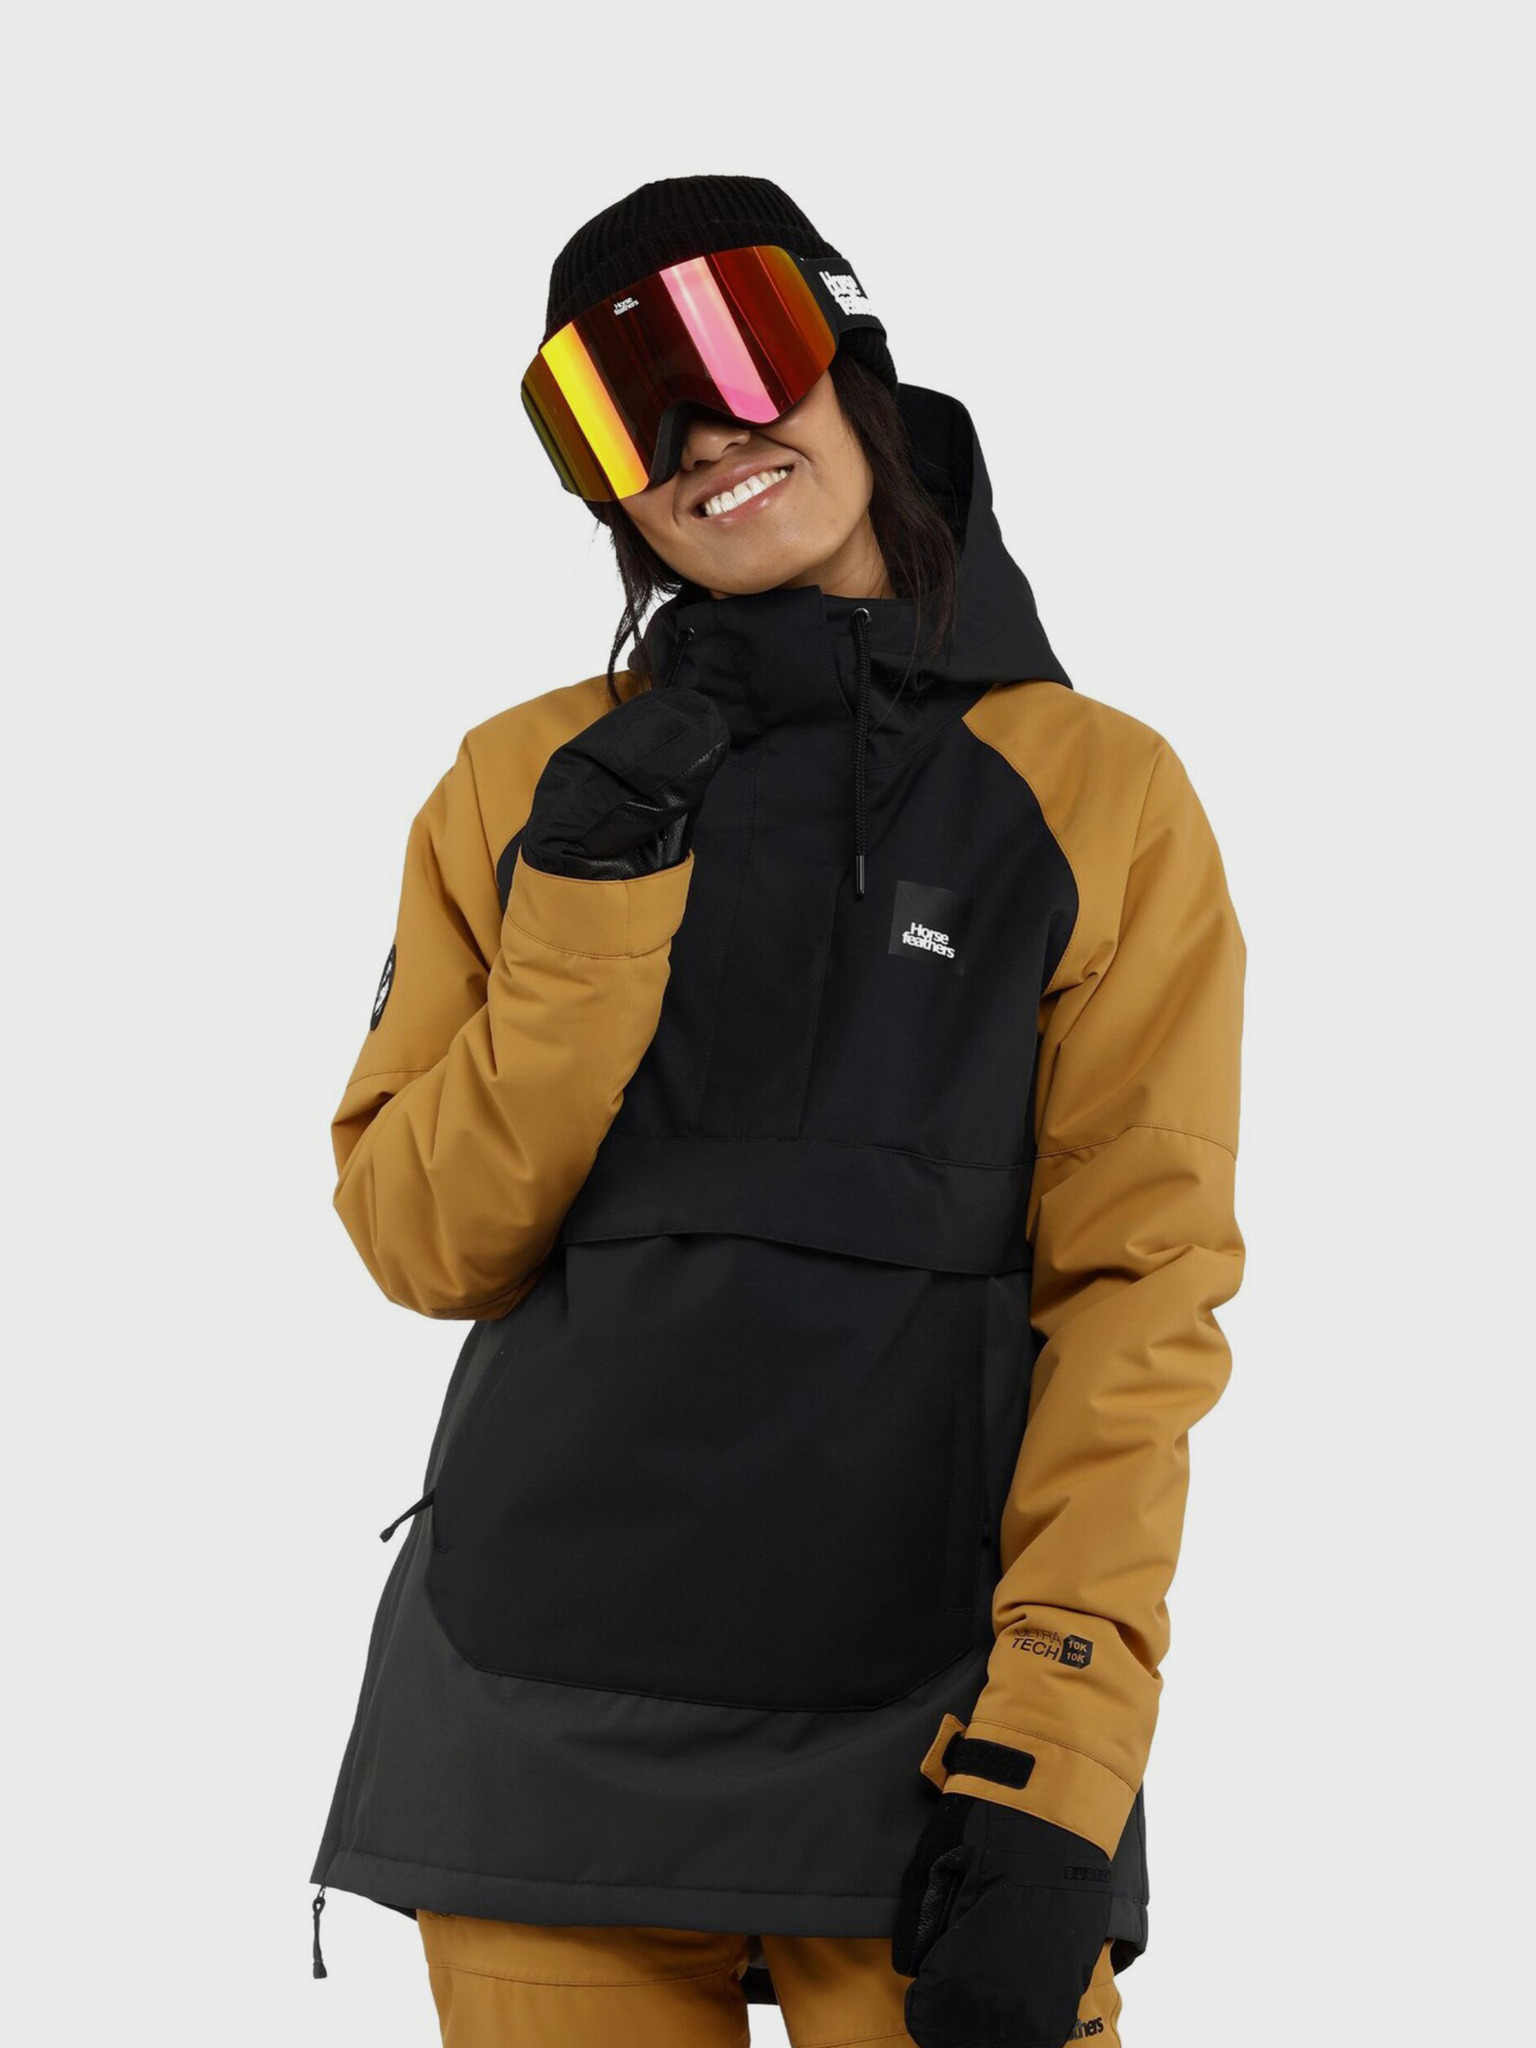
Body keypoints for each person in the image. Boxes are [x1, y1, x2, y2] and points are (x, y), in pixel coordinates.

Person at [309, 173, 1246, 2048]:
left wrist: (1060, 1752)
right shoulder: (523, 780)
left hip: (930, 1731)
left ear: (854, 359)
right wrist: (588, 912)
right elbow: (425, 1242)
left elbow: (1139, 1298)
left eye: (738, 352)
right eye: (617, 413)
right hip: (534, 1725)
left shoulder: (1096, 793)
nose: (698, 440)